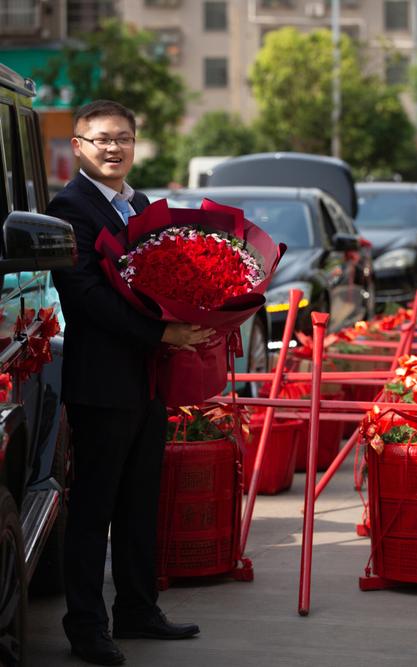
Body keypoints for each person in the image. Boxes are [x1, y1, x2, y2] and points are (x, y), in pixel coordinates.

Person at [47, 99, 213, 666]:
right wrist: (161, 334)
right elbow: (85, 297)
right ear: (78, 147)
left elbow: (159, 278)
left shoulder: (138, 205)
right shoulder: (69, 209)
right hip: (101, 383)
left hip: (147, 380)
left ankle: (139, 609)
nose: (112, 148)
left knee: (141, 501)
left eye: (122, 138)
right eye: (100, 139)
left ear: (135, 143)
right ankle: (86, 627)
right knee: (93, 509)